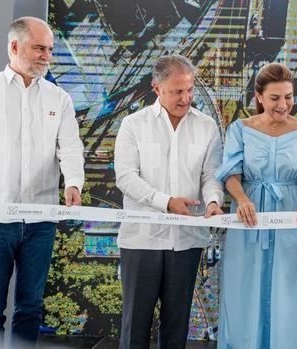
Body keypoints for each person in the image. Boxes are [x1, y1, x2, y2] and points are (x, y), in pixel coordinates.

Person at [0, 17, 84, 347]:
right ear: (14, 46)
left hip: (41, 222)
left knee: (30, 308)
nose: (46, 57)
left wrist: (74, 185)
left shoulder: (59, 99)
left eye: (50, 49)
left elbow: (70, 148)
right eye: (39, 48)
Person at [215, 63, 297, 349]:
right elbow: (231, 173)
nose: (284, 105)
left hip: (292, 219)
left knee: (288, 294)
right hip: (247, 219)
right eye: (276, 98)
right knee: (244, 291)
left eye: (288, 97)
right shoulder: (239, 130)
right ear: (259, 96)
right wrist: (241, 199)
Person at [114, 54, 224, 349]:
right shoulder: (132, 125)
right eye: (177, 91)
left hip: (187, 241)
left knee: (177, 326)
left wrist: (213, 200)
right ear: (156, 87)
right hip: (141, 241)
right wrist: (166, 202)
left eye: (189, 90)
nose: (186, 98)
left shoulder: (207, 126)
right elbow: (125, 177)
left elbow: (212, 175)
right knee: (135, 327)